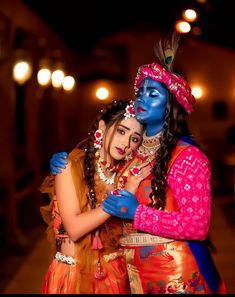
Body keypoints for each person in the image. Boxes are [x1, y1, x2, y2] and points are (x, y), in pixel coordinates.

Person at [101, 33, 227, 294]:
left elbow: (197, 226)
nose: (142, 99)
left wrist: (137, 214)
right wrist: (68, 161)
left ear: (172, 104)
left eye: (153, 94)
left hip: (176, 277)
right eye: (141, 93)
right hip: (133, 275)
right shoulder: (133, 149)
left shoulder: (187, 157)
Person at [39, 99, 152, 294]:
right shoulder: (69, 167)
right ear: (102, 126)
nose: (126, 143)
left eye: (134, 139)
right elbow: (74, 228)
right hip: (73, 277)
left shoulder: (127, 174)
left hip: (115, 275)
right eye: (121, 131)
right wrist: (122, 197)